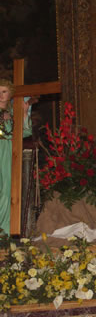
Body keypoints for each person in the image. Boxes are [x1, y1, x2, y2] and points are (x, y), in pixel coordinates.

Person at [0, 79, 32, 235]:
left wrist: (24, 114)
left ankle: (5, 231)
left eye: (4, 92)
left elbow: (25, 132)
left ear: (10, 94)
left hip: (7, 151)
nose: (0, 95)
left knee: (7, 189)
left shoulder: (14, 114)